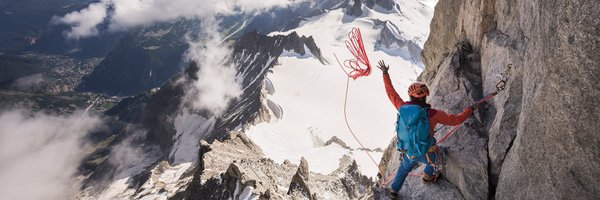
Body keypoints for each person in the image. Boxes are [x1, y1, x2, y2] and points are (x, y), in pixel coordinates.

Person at [377, 60, 473, 197]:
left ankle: (394, 191)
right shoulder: (433, 114)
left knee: (403, 169)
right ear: (425, 97)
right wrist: (469, 110)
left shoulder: (402, 107)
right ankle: (428, 177)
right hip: (426, 153)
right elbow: (456, 120)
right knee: (439, 156)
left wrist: (385, 73)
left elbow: (391, 93)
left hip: (408, 151)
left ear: (410, 96)